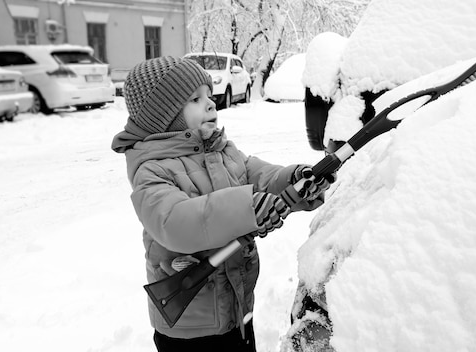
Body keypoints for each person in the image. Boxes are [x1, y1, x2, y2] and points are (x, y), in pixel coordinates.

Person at [111, 56, 335, 352]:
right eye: (195, 99)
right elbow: (176, 222)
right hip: (191, 329)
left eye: (208, 94)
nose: (210, 103)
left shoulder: (221, 149)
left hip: (237, 307)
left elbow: (258, 177)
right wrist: (248, 208)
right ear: (163, 116)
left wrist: (295, 179)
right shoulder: (151, 170)